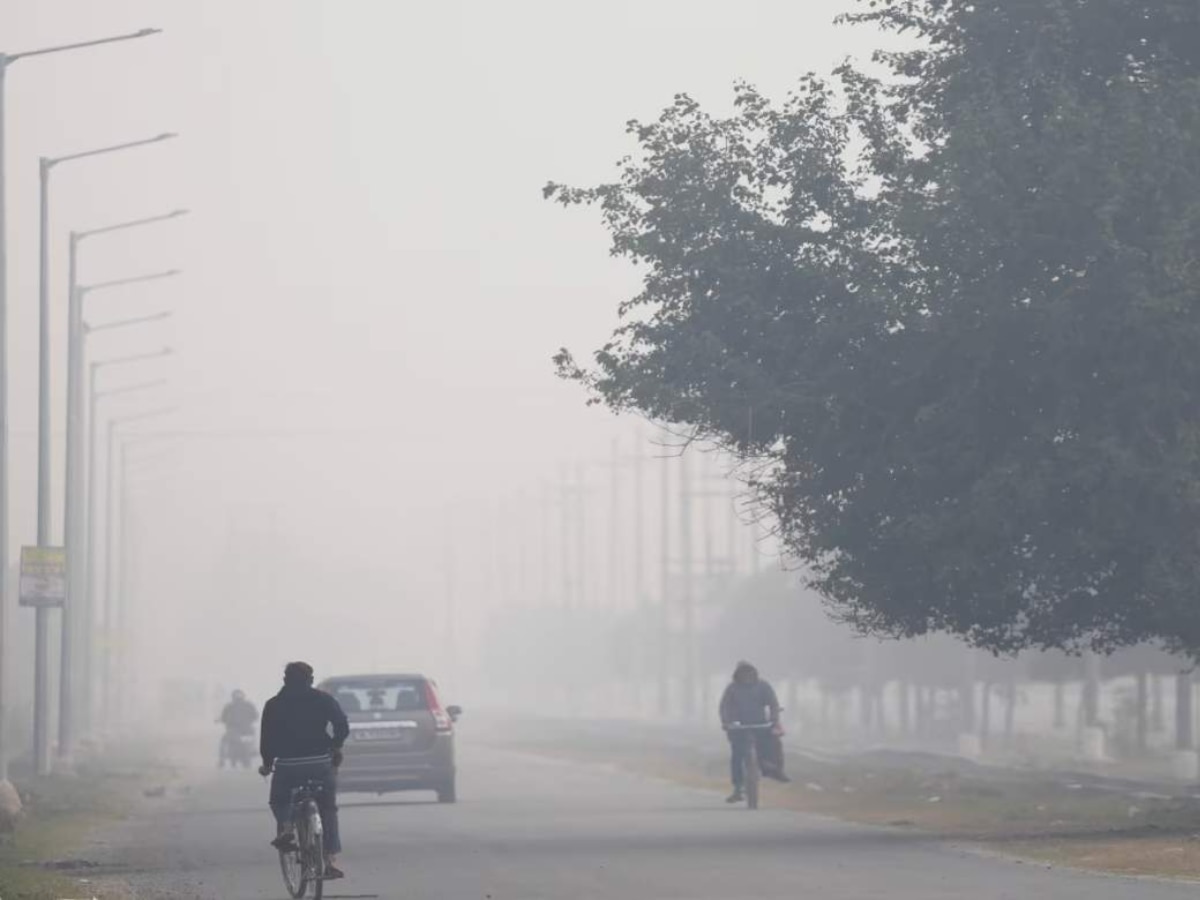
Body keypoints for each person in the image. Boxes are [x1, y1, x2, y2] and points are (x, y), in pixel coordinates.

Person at [259, 662, 350, 879]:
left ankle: (288, 828)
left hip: (288, 765)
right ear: (310, 680)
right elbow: (342, 725)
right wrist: (335, 745)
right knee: (327, 807)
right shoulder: (323, 699)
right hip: (319, 762)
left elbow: (267, 739)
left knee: (280, 801)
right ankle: (328, 860)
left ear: (285, 680)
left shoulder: (273, 704)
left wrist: (267, 763)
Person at [718, 660, 789, 803]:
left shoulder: (763, 686)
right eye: (743, 674)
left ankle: (775, 769)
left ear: (754, 674)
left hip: (760, 725)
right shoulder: (732, 689)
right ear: (737, 675)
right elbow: (724, 707)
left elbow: (773, 704)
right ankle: (738, 787)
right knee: (737, 756)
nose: (746, 677)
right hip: (738, 728)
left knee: (773, 745)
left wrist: (774, 721)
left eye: (749, 674)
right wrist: (726, 722)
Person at [218, 689, 259, 767]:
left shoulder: (229, 706)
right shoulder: (248, 705)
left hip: (234, 730)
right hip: (246, 730)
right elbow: (255, 716)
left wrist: (224, 721)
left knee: (223, 742)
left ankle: (221, 761)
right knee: (252, 740)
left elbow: (223, 718)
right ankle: (253, 751)